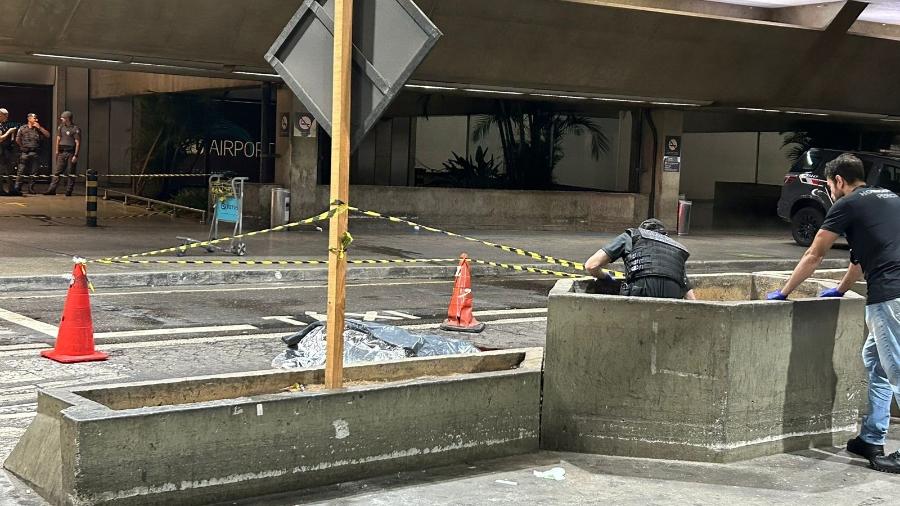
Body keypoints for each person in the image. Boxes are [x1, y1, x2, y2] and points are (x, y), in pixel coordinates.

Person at [766, 153, 900, 473]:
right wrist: (840, 289)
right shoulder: (890, 198)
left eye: (829, 184)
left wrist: (784, 293)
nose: (830, 190)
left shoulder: (847, 204)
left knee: (896, 369)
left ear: (838, 181)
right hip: (893, 293)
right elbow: (860, 258)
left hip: (891, 296)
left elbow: (815, 253)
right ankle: (871, 437)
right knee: (877, 363)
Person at [585, 218, 697, 300]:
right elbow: (690, 297)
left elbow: (591, 265)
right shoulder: (676, 248)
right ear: (665, 235)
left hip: (640, 292)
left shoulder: (632, 235)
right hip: (673, 295)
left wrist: (606, 278)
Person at [44, 111, 81, 196]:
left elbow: (78, 142)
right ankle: (51, 190)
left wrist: (76, 155)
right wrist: (57, 151)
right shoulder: (61, 127)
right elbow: (58, 139)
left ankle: (69, 190)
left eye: (63, 118)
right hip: (62, 152)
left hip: (70, 152)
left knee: (71, 172)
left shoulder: (75, 129)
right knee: (57, 172)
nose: (61, 119)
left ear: (67, 118)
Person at [13, 113, 50, 195]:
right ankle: (17, 188)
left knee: (34, 172)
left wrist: (39, 128)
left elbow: (48, 135)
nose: (36, 120)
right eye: (34, 118)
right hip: (25, 152)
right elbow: (17, 139)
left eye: (36, 118)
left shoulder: (38, 128)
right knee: (21, 171)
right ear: (29, 119)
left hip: (35, 152)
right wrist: (22, 146)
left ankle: (31, 188)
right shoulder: (22, 128)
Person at [0, 108, 17, 196]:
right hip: (1, 152)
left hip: (6, 151)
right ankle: (1, 190)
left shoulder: (3, 125)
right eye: (5, 115)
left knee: (9, 171)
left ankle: (12, 189)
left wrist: (12, 134)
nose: (7, 117)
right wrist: (8, 132)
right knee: (1, 171)